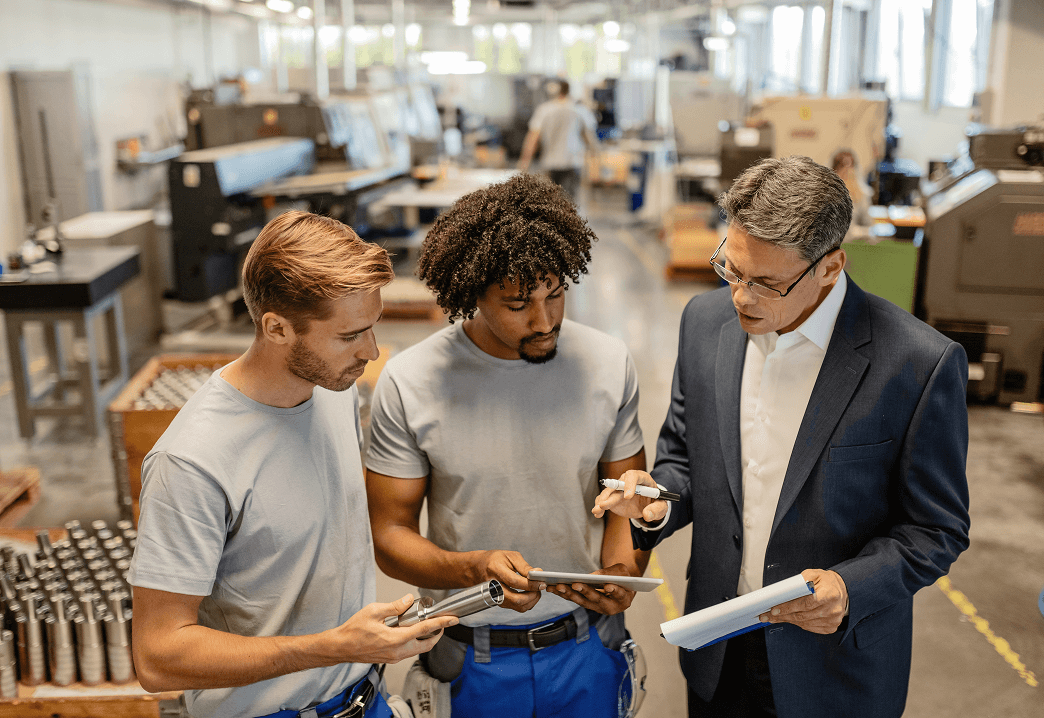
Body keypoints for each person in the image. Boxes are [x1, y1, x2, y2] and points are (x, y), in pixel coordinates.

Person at [594, 156, 971, 718]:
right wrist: (652, 502)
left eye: (766, 284)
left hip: (834, 668)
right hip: (716, 645)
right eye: (732, 269)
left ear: (830, 266)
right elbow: (685, 460)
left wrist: (849, 588)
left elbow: (937, 528)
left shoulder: (916, 364)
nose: (741, 297)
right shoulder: (704, 323)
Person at [129, 211, 458, 718]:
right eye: (350, 336)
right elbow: (158, 657)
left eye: (373, 327)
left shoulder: (333, 393)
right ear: (276, 328)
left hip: (362, 699)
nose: (371, 351)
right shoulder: (193, 461)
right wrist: (335, 645)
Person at [366, 173, 649, 717]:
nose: (544, 321)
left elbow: (626, 501)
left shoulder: (608, 364)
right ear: (472, 294)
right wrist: (475, 568)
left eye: (556, 294)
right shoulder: (411, 381)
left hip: (587, 650)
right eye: (517, 303)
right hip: (471, 658)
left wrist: (622, 571)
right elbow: (390, 537)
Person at [518, 79, 599, 201]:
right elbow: (589, 137)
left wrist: (524, 161)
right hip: (573, 162)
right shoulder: (580, 110)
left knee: (552, 203)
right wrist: (596, 156)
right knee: (570, 203)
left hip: (551, 162)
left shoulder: (544, 110)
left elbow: (533, 138)